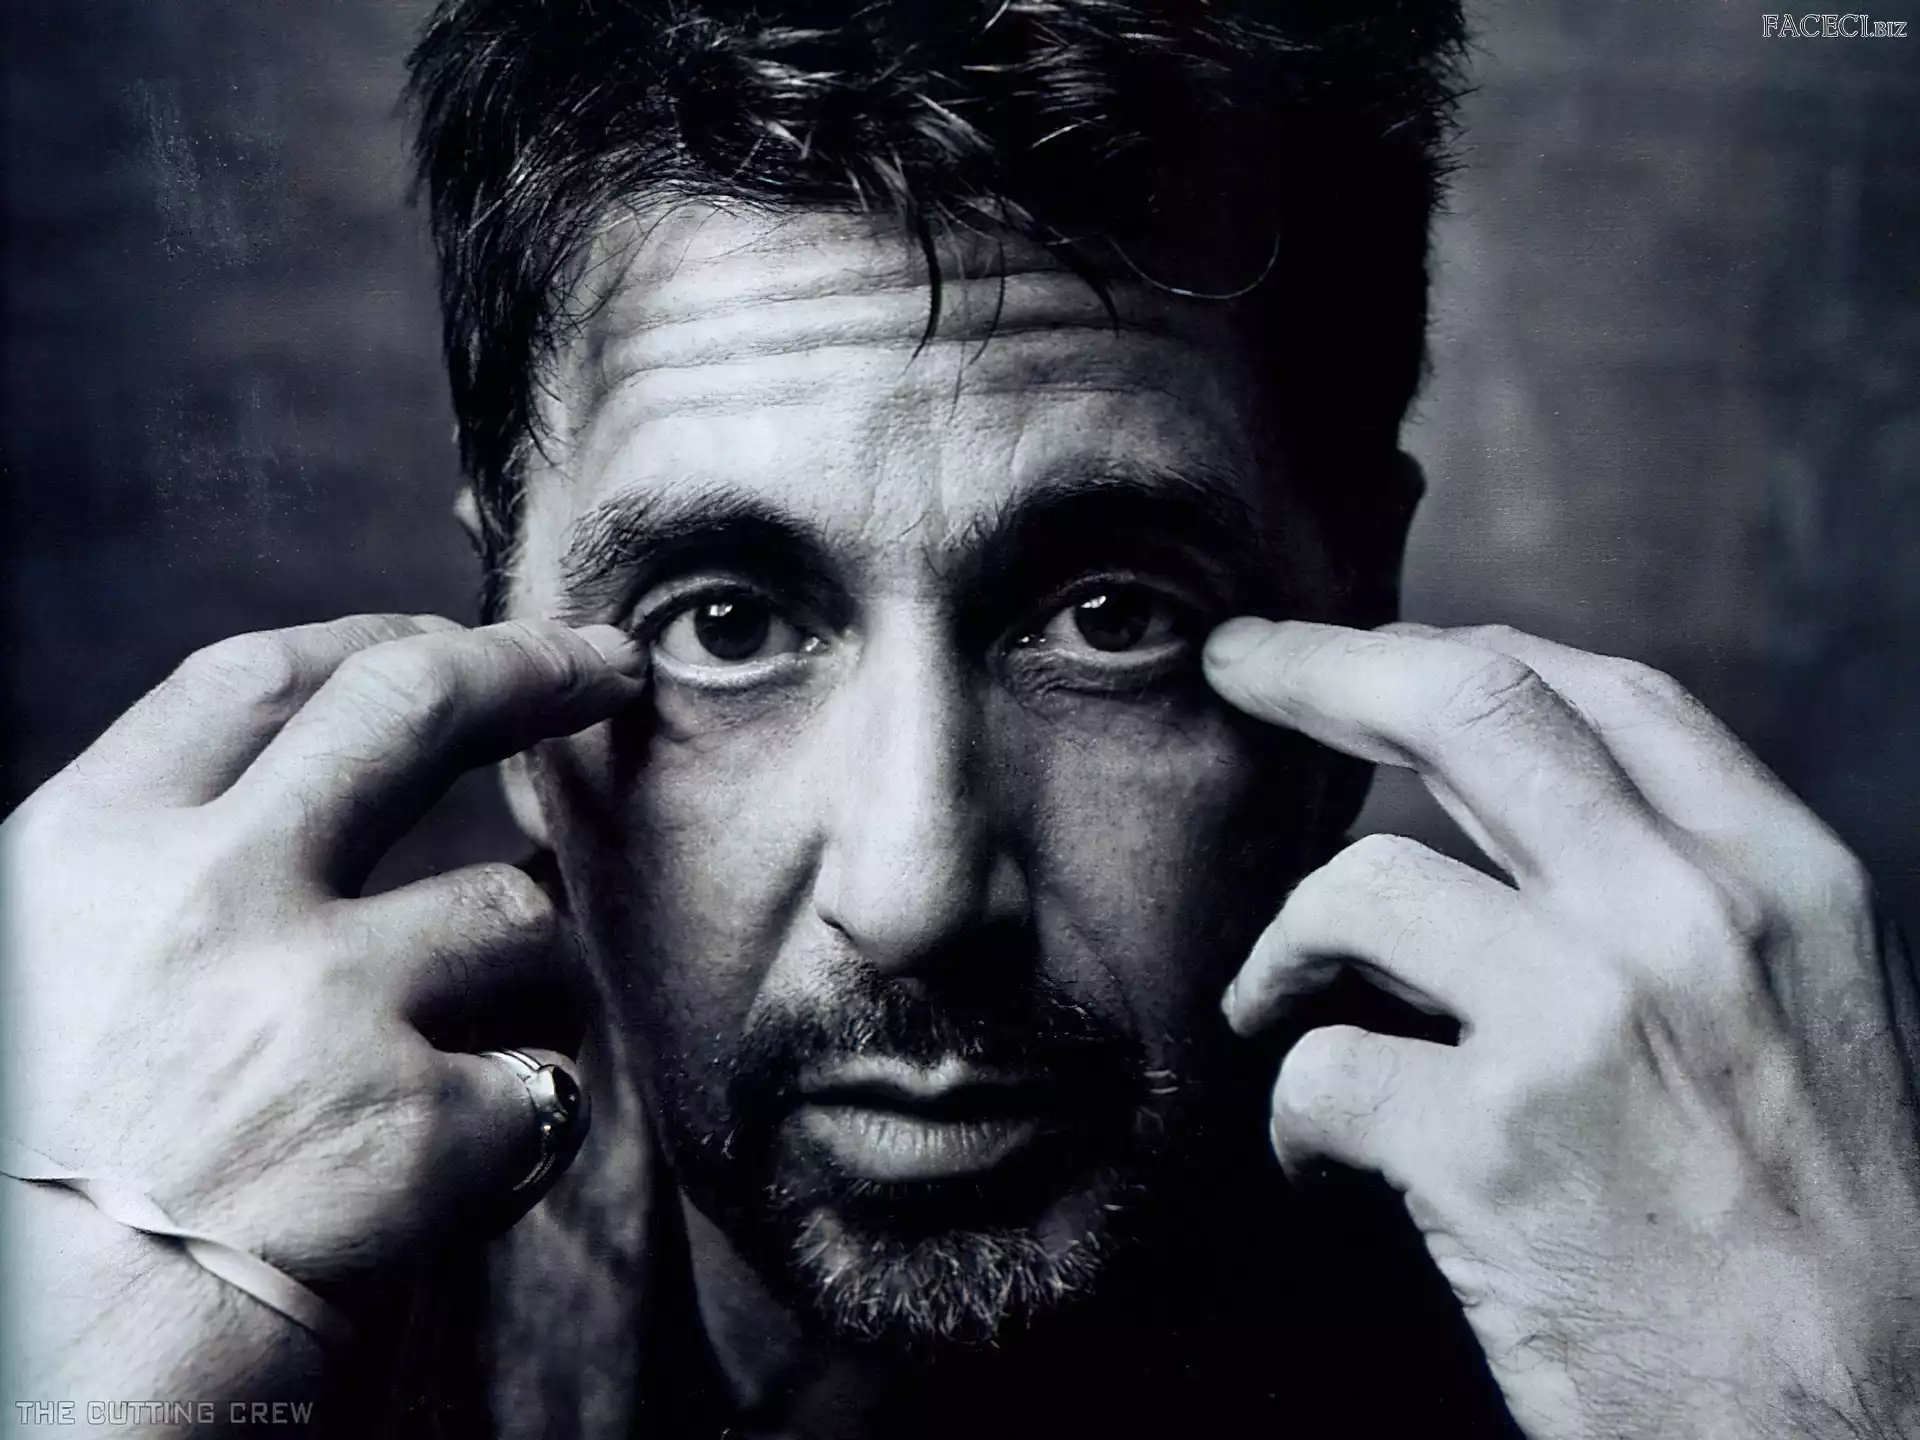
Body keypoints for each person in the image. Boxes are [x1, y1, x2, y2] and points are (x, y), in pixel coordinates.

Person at [5, 1, 1918, 1435]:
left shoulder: (1726, 1290)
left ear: (1361, 618)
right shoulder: (211, 1317)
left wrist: (1801, 1406)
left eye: (1110, 616)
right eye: (727, 625)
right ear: (508, 677)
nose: (918, 891)